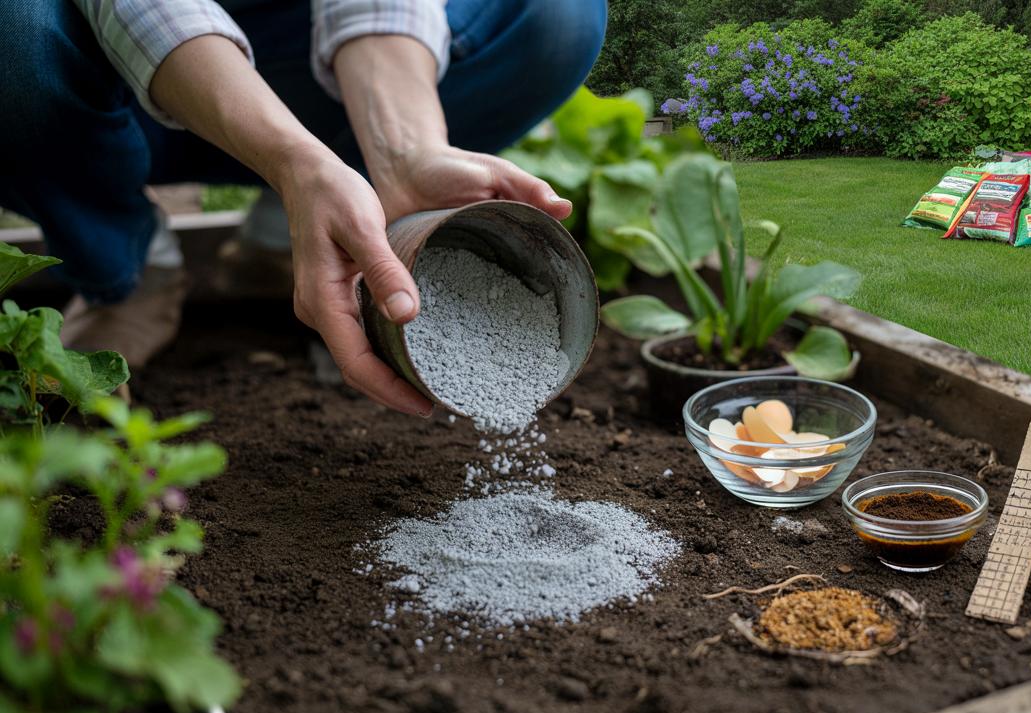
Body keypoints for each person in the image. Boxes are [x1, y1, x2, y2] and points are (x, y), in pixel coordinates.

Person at [0, 0, 607, 417]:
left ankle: (299, 230)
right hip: (104, 77)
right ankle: (124, 270)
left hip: (298, 54)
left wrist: (406, 151)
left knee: (555, 17)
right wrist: (291, 160)